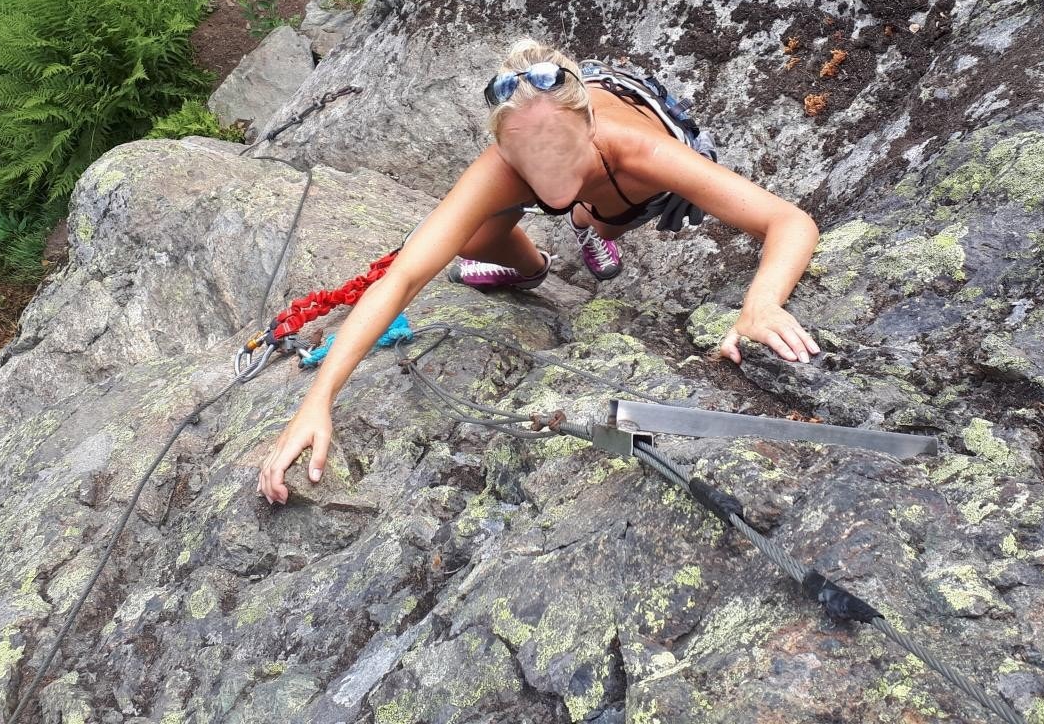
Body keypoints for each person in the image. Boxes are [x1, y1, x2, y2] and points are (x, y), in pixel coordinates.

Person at [258, 39, 822, 505]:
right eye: (528, 163)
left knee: (608, 211)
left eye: (560, 156)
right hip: (574, 150)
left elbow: (788, 221)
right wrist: (318, 400)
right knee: (473, 238)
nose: (545, 175)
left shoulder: (636, 150)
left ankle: (592, 226)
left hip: (628, 177)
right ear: (504, 147)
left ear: (589, 128)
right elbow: (403, 278)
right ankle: (532, 268)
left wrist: (762, 303)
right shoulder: (506, 162)